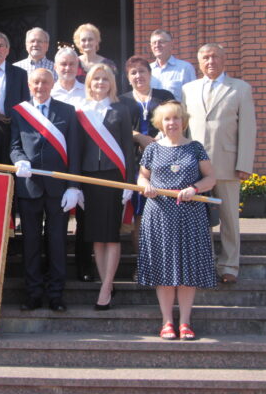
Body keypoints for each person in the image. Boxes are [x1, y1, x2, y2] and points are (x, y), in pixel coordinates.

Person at [137, 100, 216, 340]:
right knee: (164, 269)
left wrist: (194, 188)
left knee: (187, 269)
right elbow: (142, 177)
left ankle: (185, 322)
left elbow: (211, 178)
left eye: (176, 118)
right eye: (167, 119)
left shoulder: (195, 148)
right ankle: (167, 322)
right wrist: (146, 186)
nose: (172, 123)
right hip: (159, 215)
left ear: (183, 121)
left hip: (190, 214)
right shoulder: (152, 149)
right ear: (160, 123)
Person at [182, 43, 256, 284]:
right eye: (205, 57)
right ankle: (203, 263)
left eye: (215, 57)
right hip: (195, 167)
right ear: (199, 62)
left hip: (227, 163)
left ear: (224, 60)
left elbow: (248, 128)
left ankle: (229, 265)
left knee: (229, 218)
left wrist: (244, 163)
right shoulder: (188, 89)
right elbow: (184, 128)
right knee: (198, 218)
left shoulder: (240, 88)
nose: (210, 61)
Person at [10, 68, 81, 312]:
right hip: (29, 187)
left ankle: (56, 295)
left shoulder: (67, 111)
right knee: (30, 243)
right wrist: (19, 159)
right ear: (29, 85)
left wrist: (73, 186)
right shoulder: (19, 112)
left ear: (52, 84)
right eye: (36, 83)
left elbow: (74, 150)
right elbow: (14, 146)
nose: (40, 87)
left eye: (45, 82)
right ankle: (33, 294)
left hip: (58, 188)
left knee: (57, 242)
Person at [77, 64, 134, 310]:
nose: (100, 83)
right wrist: (75, 184)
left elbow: (128, 148)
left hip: (113, 178)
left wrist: (129, 183)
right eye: (96, 79)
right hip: (89, 179)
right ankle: (106, 283)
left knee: (110, 235)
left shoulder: (121, 109)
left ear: (112, 83)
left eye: (105, 79)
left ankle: (106, 286)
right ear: (89, 83)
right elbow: (77, 150)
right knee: (96, 237)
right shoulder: (81, 110)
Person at [118, 56, 174, 261]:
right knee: (139, 213)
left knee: (163, 210)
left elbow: (175, 119)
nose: (138, 76)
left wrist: (160, 136)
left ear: (150, 74)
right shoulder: (121, 100)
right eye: (133, 73)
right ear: (128, 77)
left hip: (162, 159)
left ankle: (164, 263)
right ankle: (143, 264)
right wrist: (138, 137)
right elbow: (117, 128)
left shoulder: (164, 96)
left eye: (142, 71)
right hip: (134, 162)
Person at [51, 45, 93, 282]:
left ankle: (84, 265)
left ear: (78, 68)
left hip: (84, 158)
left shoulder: (87, 92)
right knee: (57, 216)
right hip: (57, 162)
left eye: (71, 64)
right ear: (55, 67)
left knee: (85, 217)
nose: (67, 68)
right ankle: (55, 266)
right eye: (63, 64)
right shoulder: (48, 91)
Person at [149, 30, 196, 101]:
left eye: (161, 42)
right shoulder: (148, 69)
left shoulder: (185, 68)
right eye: (154, 43)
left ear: (171, 45)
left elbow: (192, 97)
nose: (157, 45)